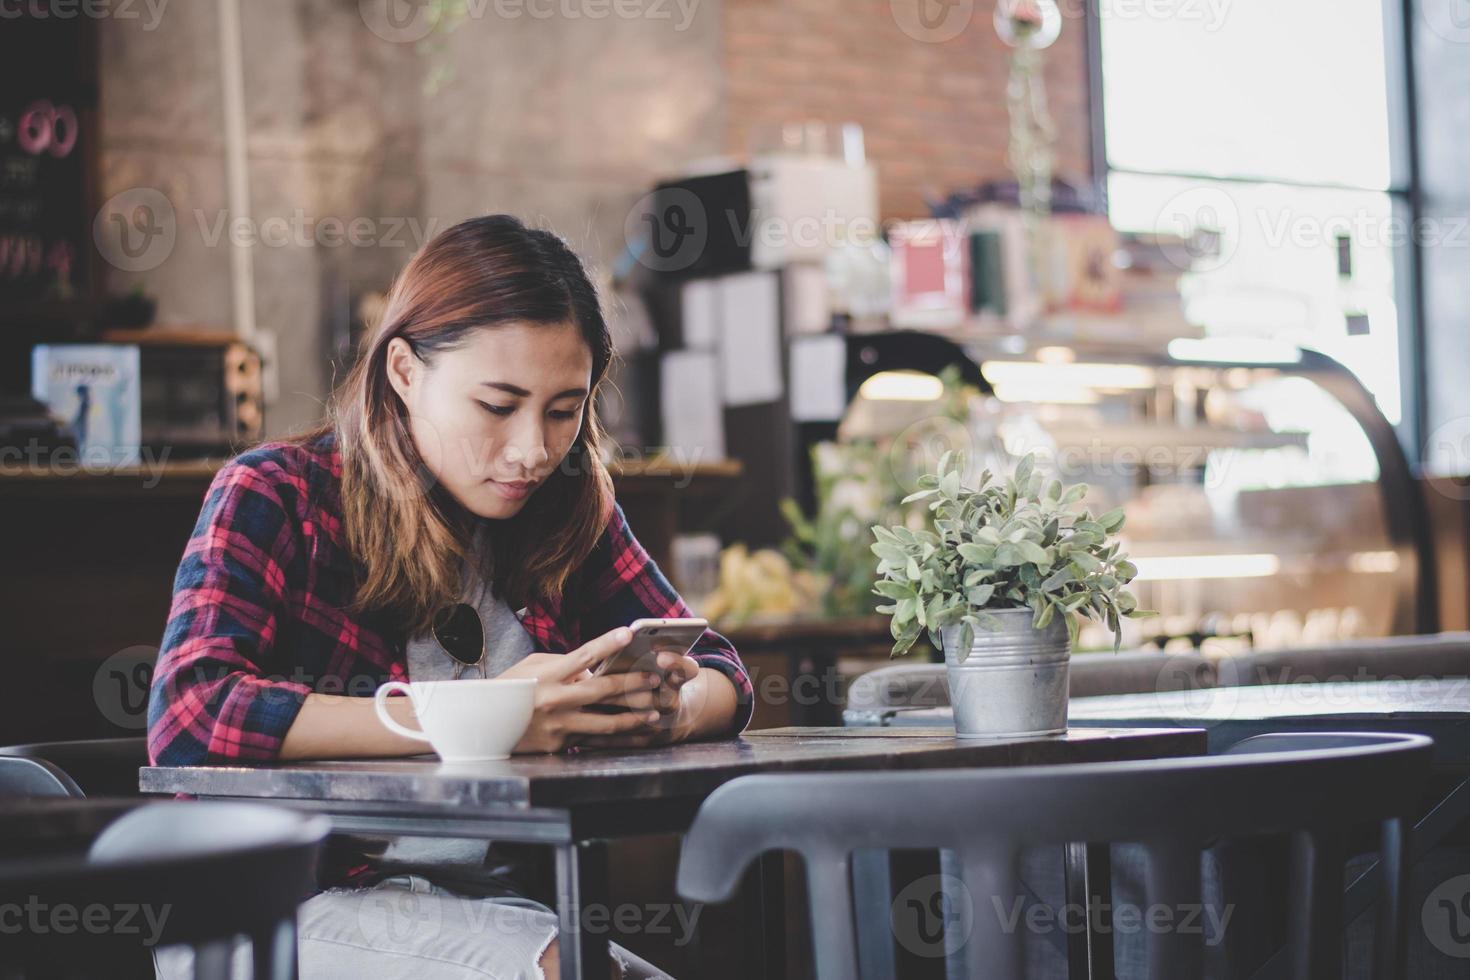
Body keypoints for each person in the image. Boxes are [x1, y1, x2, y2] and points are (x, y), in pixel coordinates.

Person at [146, 214, 754, 980]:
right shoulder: (277, 493)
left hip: (496, 909)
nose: (532, 450)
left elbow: (725, 673)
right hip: (275, 908)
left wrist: (665, 708)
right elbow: (192, 713)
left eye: (564, 410)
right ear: (404, 371)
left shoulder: (569, 507)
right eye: (497, 407)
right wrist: (489, 719)